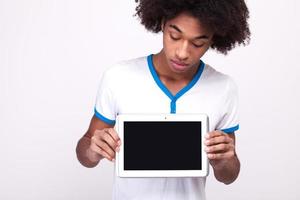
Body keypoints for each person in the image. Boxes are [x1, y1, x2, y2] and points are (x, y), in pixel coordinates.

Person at [76, 0, 250, 199]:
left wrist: (223, 161)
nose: (182, 53)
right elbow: (85, 154)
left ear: (214, 39)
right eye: (174, 36)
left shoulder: (224, 88)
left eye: (198, 43)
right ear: (162, 23)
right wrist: (93, 150)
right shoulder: (118, 77)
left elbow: (229, 176)